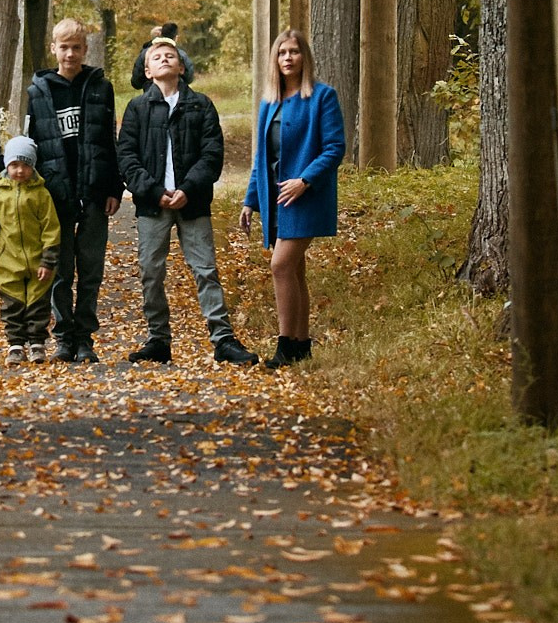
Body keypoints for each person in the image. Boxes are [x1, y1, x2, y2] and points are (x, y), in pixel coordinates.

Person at [116, 38, 259, 366]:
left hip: (192, 204)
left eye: (172, 56)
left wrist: (188, 190)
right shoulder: (137, 109)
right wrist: (154, 191)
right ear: (148, 71)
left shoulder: (201, 105)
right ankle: (158, 339)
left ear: (182, 67)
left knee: (205, 270)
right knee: (150, 271)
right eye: (157, 57)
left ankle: (223, 340)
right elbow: (126, 157)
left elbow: (212, 154)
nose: (165, 59)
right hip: (153, 204)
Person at [238, 29, 346, 367]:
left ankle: (285, 345)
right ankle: (301, 345)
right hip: (277, 200)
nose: (288, 58)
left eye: (294, 52)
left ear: (305, 58)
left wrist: (306, 180)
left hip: (307, 197)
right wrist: (250, 201)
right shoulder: (269, 103)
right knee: (295, 270)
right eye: (282, 52)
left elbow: (334, 148)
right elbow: (262, 159)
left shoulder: (322, 97)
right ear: (275, 59)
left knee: (280, 264)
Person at [23, 19, 121, 364]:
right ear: (53, 48)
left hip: (95, 189)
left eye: (76, 47)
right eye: (63, 47)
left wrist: (114, 188)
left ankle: (85, 338)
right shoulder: (38, 91)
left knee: (91, 268)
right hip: (55, 193)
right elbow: (31, 145)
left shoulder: (100, 88)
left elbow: (110, 141)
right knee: (61, 270)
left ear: (85, 50)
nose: (70, 53)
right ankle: (63, 337)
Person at [0, 136, 62, 364]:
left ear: (33, 167)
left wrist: (48, 260)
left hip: (36, 261)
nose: (20, 171)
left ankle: (37, 344)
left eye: (25, 165)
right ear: (6, 165)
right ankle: (15, 344)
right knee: (12, 305)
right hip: (8, 261)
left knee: (37, 304)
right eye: (14, 165)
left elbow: (51, 228)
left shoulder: (41, 194)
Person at [129, 22, 197, 91]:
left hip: (151, 96)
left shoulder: (144, 54)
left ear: (161, 34)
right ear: (176, 38)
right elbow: (189, 78)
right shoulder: (181, 54)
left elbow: (136, 82)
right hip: (177, 94)